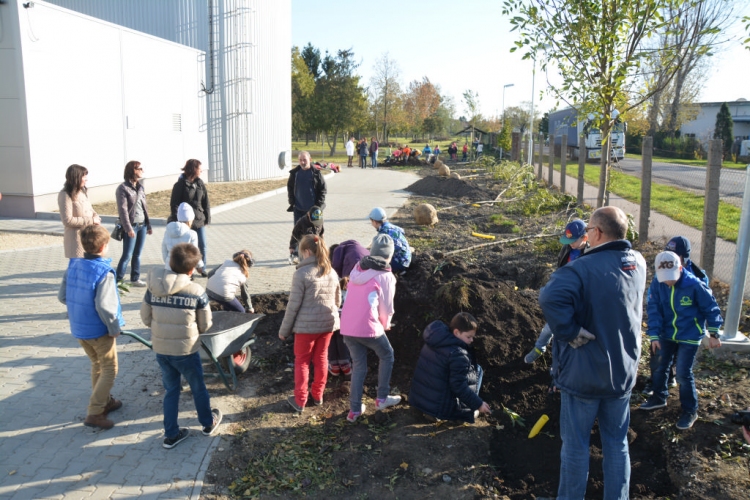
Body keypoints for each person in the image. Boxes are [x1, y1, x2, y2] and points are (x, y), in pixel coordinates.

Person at [538, 206, 647, 500]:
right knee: (617, 442)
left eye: (588, 230)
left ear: (596, 233)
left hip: (584, 377)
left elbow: (548, 297)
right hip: (622, 374)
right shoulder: (637, 262)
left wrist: (571, 332)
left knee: (575, 445)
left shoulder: (581, 269)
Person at [141, 242, 222, 449]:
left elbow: (145, 318)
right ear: (192, 269)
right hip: (186, 351)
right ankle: (206, 423)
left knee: (171, 390)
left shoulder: (152, 287)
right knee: (197, 387)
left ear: (169, 262)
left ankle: (171, 435)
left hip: (161, 349)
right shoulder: (196, 291)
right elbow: (205, 325)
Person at [639, 251, 723, 430]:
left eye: (672, 277)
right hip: (666, 333)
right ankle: (659, 397)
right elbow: (653, 309)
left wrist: (714, 333)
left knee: (684, 373)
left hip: (690, 335)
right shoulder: (657, 284)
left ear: (680, 268)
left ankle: (690, 410)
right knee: (660, 366)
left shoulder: (694, 285)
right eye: (664, 278)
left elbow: (711, 307)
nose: (668, 281)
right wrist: (654, 335)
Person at [58, 225, 124, 430]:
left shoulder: (73, 265)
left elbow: (62, 296)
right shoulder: (104, 272)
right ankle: (95, 412)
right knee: (110, 369)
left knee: (97, 364)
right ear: (104, 246)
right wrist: (113, 327)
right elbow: (105, 306)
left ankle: (105, 401)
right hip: (99, 331)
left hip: (79, 329)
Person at [340, 234, 401, 422]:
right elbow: (387, 306)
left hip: (347, 326)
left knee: (359, 366)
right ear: (389, 256)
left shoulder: (357, 268)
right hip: (367, 326)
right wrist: (385, 323)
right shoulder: (386, 275)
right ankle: (382, 398)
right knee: (387, 354)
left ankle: (355, 411)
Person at [278, 235, 341, 412]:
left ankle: (300, 400)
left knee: (302, 362)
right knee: (322, 358)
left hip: (306, 328)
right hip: (328, 325)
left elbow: (292, 306)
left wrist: (284, 330)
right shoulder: (331, 271)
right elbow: (337, 302)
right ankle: (318, 395)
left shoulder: (301, 274)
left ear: (306, 252)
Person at [642, 236, 709, 396]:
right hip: (665, 326)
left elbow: (706, 304)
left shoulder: (698, 277)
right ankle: (655, 384)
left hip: (687, 328)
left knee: (681, 364)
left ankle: (672, 379)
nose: (669, 258)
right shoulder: (663, 272)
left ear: (684, 257)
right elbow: (653, 298)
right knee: (659, 358)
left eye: (674, 255)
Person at [524, 219, 589, 363]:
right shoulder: (567, 249)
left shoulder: (591, 253)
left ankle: (563, 364)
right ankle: (539, 347)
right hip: (565, 292)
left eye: (573, 240)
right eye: (567, 240)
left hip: (580, 297)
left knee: (571, 333)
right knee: (551, 325)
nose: (569, 243)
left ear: (585, 238)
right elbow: (560, 268)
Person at [409, 312, 491, 423]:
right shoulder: (458, 354)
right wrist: (478, 404)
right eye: (469, 337)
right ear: (456, 332)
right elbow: (458, 387)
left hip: (419, 400)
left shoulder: (435, 339)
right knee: (477, 370)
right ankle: (465, 412)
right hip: (439, 407)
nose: (472, 340)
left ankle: (428, 411)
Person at [328, 240, 369, 377]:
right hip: (347, 314)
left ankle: (334, 365)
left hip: (333, 313)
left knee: (332, 336)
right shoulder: (352, 275)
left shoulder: (333, 275)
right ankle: (345, 365)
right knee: (343, 337)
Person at [169, 159, 210, 276]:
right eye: (199, 168)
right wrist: (178, 220)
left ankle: (202, 268)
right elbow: (174, 204)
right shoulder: (180, 185)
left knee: (203, 246)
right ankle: (188, 270)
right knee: (188, 247)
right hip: (185, 221)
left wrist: (207, 217)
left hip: (199, 219)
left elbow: (206, 201)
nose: (201, 170)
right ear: (193, 169)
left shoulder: (200, 183)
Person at [115, 161, 152, 287]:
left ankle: (135, 278)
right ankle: (118, 280)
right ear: (133, 170)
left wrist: (149, 225)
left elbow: (144, 207)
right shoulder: (123, 188)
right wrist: (128, 227)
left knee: (138, 254)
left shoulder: (141, 187)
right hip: (132, 226)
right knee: (127, 255)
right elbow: (123, 210)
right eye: (140, 169)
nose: (142, 171)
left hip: (142, 225)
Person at [58, 164, 102, 259]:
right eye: (84, 176)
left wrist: (96, 216)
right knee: (75, 271)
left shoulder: (82, 192)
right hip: (76, 241)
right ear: (76, 177)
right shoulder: (65, 195)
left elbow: (90, 209)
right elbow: (67, 220)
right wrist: (91, 220)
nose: (86, 179)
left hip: (89, 239)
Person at [162, 203, 205, 273]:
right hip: (185, 267)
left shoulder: (168, 232)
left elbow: (164, 249)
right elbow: (195, 252)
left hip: (170, 267)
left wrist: (167, 261)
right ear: (189, 221)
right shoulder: (192, 234)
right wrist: (199, 266)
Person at [287, 151, 327, 226]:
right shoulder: (294, 173)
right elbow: (290, 188)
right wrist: (292, 202)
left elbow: (323, 190)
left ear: (310, 159)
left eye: (304, 159)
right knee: (299, 234)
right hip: (298, 210)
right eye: (300, 160)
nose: (302, 162)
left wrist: (317, 206)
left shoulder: (316, 173)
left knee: (316, 233)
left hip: (314, 210)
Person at [369, 207, 411, 274]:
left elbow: (381, 253)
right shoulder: (390, 227)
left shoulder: (384, 234)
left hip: (400, 262)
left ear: (374, 221)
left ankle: (397, 270)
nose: (371, 224)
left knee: (374, 263)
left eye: (371, 221)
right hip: (406, 258)